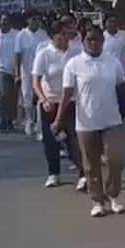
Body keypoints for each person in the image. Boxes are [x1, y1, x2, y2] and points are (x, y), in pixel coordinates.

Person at [56, 26, 125, 217]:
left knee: (116, 158)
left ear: (103, 42)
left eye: (97, 39)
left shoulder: (112, 62)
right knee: (91, 164)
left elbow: (122, 87)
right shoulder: (74, 64)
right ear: (84, 42)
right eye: (89, 39)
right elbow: (67, 94)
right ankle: (97, 200)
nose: (93, 43)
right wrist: (59, 120)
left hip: (111, 119)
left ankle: (113, 195)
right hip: (87, 122)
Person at [33, 21, 82, 188]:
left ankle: (83, 173)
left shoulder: (76, 52)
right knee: (51, 140)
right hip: (51, 103)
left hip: (71, 102)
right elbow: (36, 81)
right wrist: (43, 99)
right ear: (53, 38)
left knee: (74, 139)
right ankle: (53, 173)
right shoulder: (44, 54)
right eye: (60, 37)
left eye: (66, 36)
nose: (64, 41)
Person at [15, 13, 48, 140]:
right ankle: (29, 120)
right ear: (28, 20)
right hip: (27, 71)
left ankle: (40, 126)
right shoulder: (21, 35)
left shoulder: (43, 35)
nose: (35, 21)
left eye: (37, 19)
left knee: (41, 98)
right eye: (33, 19)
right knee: (27, 96)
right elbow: (17, 55)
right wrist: (17, 73)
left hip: (41, 72)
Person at [0, 16, 20, 133]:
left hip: (15, 70)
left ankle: (10, 120)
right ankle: (3, 118)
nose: (4, 23)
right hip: (0, 69)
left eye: (6, 21)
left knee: (13, 96)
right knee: (4, 94)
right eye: (2, 21)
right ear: (0, 22)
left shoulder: (17, 35)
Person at [101, 15, 125, 120]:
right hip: (107, 73)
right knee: (110, 96)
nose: (112, 24)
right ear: (105, 23)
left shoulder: (124, 35)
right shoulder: (102, 36)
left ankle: (121, 115)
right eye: (109, 22)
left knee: (123, 97)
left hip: (123, 71)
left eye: (114, 21)